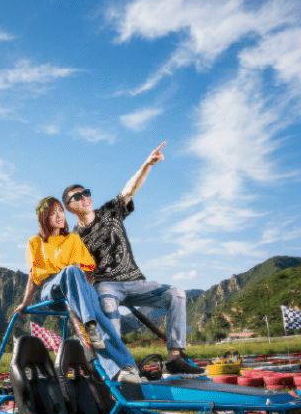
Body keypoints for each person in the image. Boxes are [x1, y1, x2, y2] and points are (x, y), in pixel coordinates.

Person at [62, 142, 204, 376]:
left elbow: (130, 189)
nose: (84, 197)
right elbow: (78, 273)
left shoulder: (110, 213)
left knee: (177, 294)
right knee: (107, 307)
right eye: (77, 196)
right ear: (69, 207)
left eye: (86, 192)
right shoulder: (73, 238)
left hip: (135, 281)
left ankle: (175, 359)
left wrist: (147, 164)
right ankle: (118, 370)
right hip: (105, 285)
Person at [15, 196, 145, 384]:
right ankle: (89, 323)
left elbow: (84, 276)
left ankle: (125, 367)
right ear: (44, 218)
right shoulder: (35, 242)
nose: (59, 215)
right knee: (72, 273)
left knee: (97, 311)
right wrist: (25, 303)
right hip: (53, 291)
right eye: (53, 212)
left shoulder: (73, 240)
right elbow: (33, 276)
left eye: (60, 210)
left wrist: (91, 295)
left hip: (76, 291)